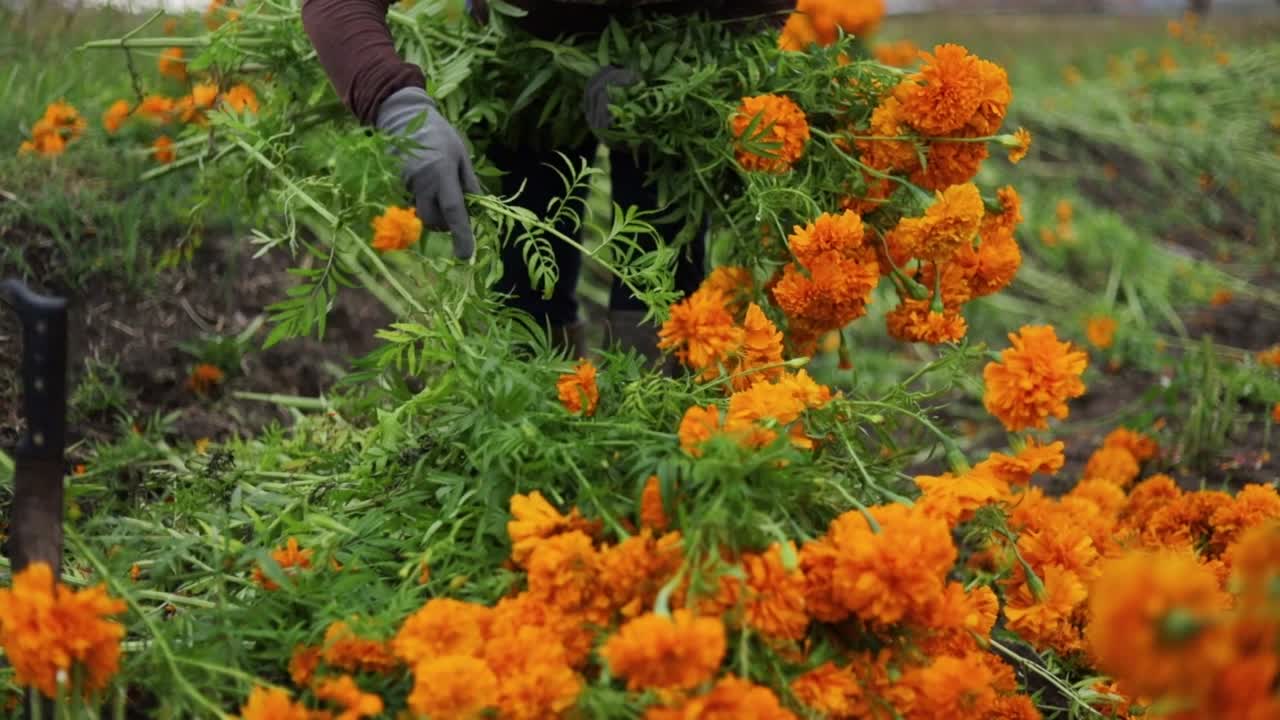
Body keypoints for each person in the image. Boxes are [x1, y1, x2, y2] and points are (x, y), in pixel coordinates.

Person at [301, 0, 791, 360]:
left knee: (659, 275)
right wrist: (397, 103)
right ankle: (537, 409)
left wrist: (673, 86)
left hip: (679, 36)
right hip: (525, 42)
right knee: (529, 262)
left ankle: (658, 422)